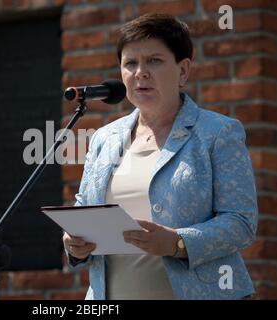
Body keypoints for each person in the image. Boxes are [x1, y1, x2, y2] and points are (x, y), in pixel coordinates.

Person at [62, 13, 258, 300]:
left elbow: (241, 223)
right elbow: (83, 211)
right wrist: (73, 244)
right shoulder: (104, 138)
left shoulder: (218, 132)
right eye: (130, 63)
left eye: (154, 60)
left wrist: (177, 243)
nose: (140, 72)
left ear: (183, 71)